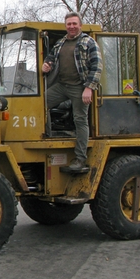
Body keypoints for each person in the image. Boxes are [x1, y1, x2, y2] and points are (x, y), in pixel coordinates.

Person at [42, 12, 103, 173]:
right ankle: (46, 136)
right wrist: (46, 64)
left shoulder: (88, 42)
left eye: (74, 24)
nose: (72, 26)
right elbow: (51, 57)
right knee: (40, 104)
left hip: (80, 87)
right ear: (66, 26)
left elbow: (97, 67)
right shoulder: (61, 43)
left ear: (80, 25)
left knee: (80, 119)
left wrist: (89, 88)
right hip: (62, 86)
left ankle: (80, 158)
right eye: (69, 24)